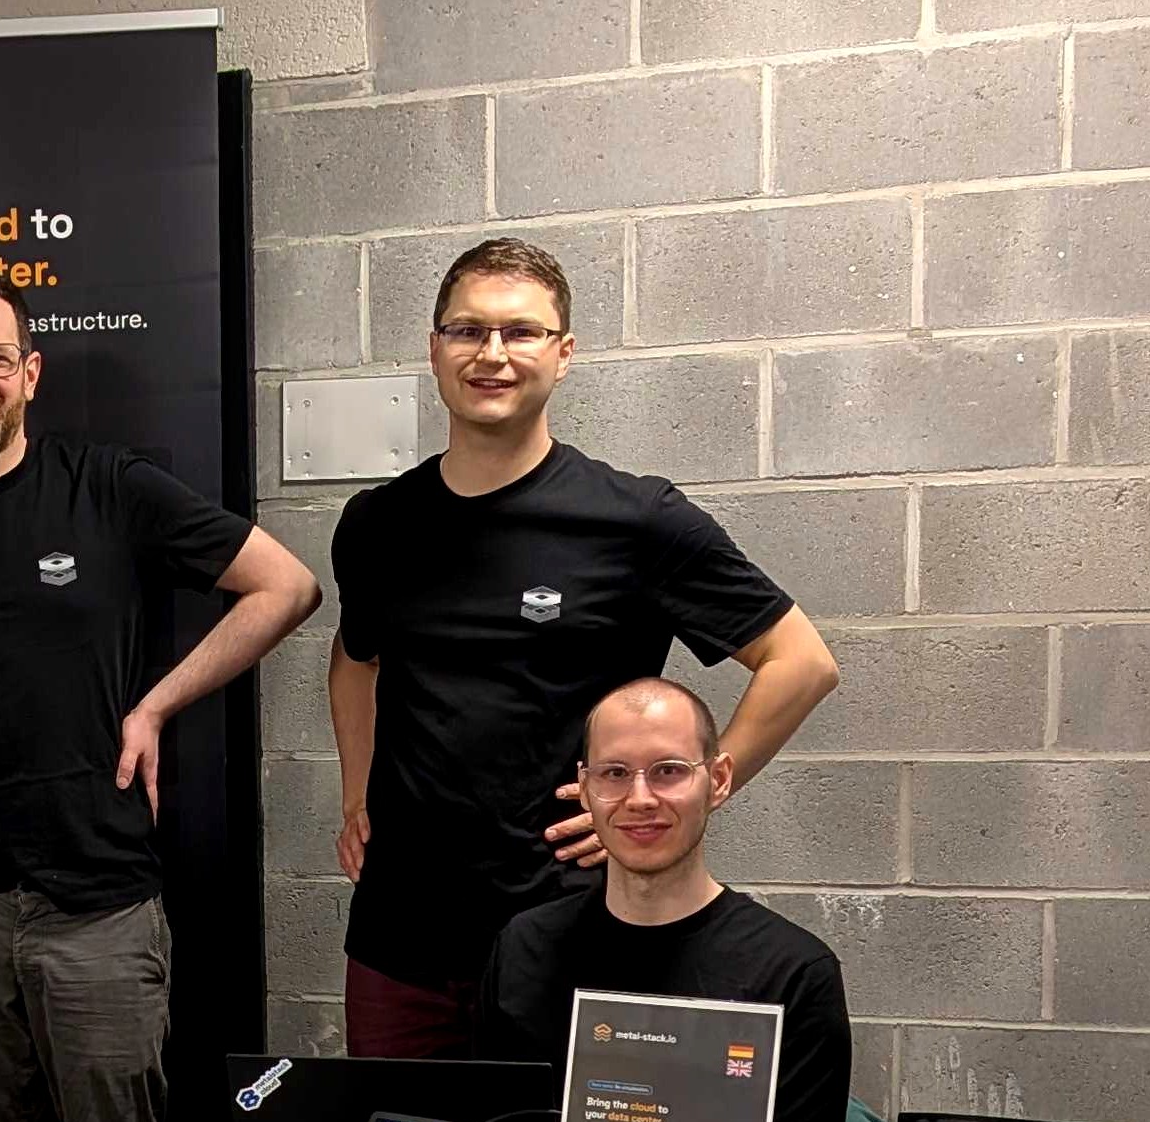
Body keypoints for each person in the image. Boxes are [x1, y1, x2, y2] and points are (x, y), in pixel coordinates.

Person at [0, 265, 322, 1122]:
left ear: (31, 373)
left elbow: (287, 587)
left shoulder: (110, 488)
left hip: (98, 908)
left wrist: (157, 704)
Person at [328, 237, 839, 1059]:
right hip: (401, 937)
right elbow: (357, 658)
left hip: (567, 932)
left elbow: (802, 662)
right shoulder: (377, 524)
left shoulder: (635, 520)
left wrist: (687, 794)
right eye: (468, 330)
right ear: (434, 349)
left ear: (562, 354)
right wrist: (357, 794)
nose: (493, 354)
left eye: (521, 332)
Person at [477, 677, 850, 1122]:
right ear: (585, 788)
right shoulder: (523, 949)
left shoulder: (794, 974)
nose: (640, 799)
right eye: (614, 774)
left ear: (717, 780)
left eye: (669, 771)